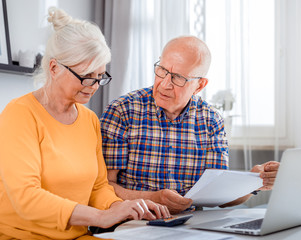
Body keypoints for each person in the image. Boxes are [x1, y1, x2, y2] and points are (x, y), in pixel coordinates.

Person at [0, 7, 170, 240]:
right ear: (54, 68)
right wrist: (100, 218)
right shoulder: (20, 115)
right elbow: (26, 198)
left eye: (100, 77)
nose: (94, 85)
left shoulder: (89, 120)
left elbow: (98, 187)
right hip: (14, 234)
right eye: (86, 76)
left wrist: (120, 207)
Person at [100, 36, 280, 214]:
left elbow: (219, 196)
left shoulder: (211, 121)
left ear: (200, 85)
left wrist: (255, 180)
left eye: (178, 78)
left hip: (192, 224)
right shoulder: (122, 111)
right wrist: (152, 198)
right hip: (135, 220)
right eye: (162, 70)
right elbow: (103, 187)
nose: (165, 84)